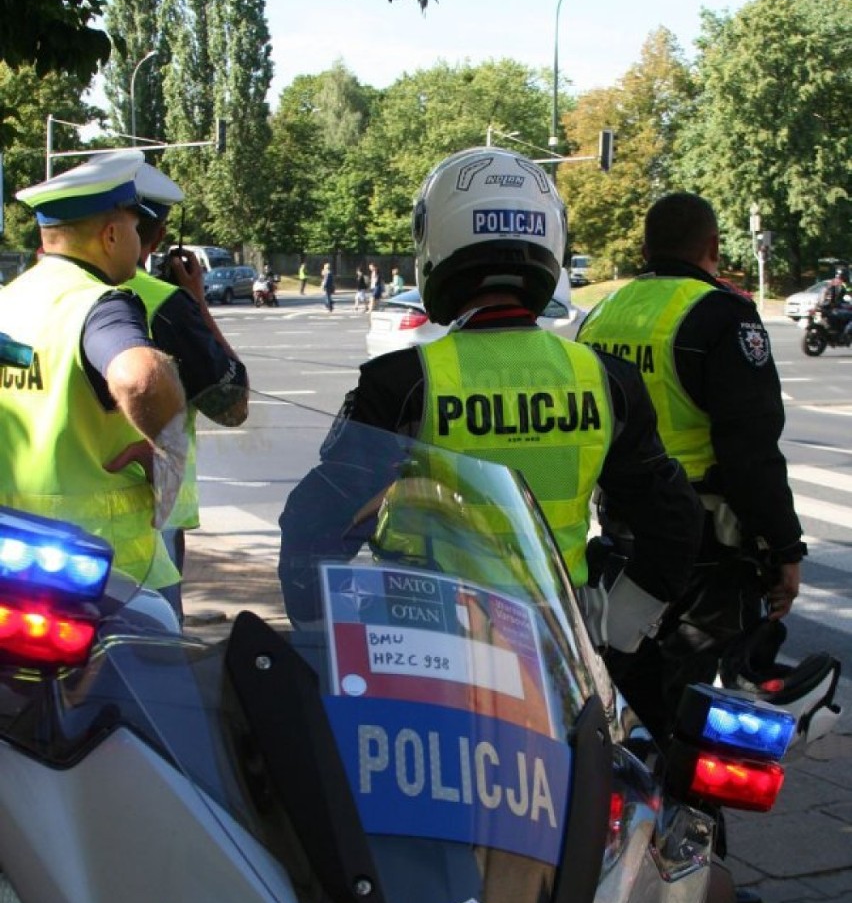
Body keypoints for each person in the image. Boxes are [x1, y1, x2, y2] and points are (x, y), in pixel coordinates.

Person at [280, 147, 703, 656]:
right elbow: (674, 522)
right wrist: (612, 628)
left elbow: (313, 523)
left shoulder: (404, 381)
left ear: (434, 240)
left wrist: (322, 633)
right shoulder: (606, 380)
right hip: (555, 651)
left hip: (426, 652)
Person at [577, 191, 807, 903]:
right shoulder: (723, 317)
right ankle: (700, 881)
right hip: (709, 548)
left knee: (635, 700)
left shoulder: (603, 313)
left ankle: (626, 861)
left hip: (626, 538)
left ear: (647, 246)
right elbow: (749, 452)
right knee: (710, 712)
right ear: (710, 248)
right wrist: (785, 548)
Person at [0, 152, 187, 595]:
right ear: (110, 234)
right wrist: (170, 456)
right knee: (155, 666)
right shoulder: (99, 303)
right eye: (134, 226)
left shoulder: (10, 300)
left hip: (15, 560)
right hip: (104, 577)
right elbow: (140, 377)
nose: (138, 237)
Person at [128, 160, 250, 615]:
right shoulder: (165, 304)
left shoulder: (22, 296)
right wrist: (197, 301)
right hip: (138, 530)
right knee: (148, 669)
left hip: (23, 520)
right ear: (159, 238)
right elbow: (232, 404)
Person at [816, 266, 852, 342]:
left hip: (823, 307)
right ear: (845, 275)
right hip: (835, 308)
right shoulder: (843, 284)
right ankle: (846, 334)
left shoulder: (831, 282)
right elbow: (849, 294)